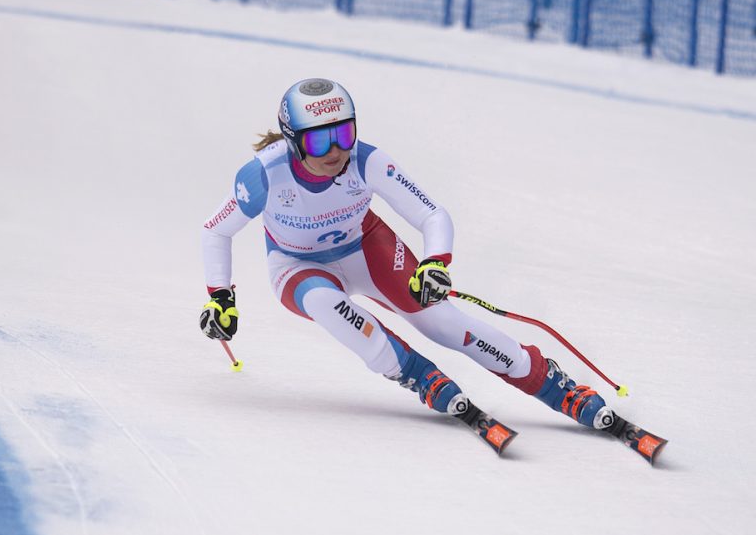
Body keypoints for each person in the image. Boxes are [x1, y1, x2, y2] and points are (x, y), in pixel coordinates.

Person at [199, 78, 615, 431]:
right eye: (319, 139)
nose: (335, 151)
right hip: (296, 266)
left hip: (365, 247)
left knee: (444, 323)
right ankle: (416, 374)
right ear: (292, 140)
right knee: (328, 303)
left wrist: (436, 263)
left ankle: (551, 384)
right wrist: (221, 297)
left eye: (344, 133)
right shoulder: (263, 176)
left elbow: (432, 214)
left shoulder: (367, 160)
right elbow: (216, 231)